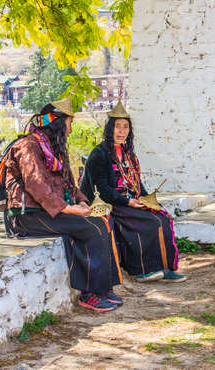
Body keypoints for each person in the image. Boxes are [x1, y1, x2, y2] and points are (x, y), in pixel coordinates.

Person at [4, 97, 123, 311]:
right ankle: (89, 294)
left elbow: (69, 182)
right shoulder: (28, 146)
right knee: (91, 229)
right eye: (69, 123)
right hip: (28, 216)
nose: (70, 129)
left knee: (103, 221)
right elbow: (36, 185)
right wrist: (69, 210)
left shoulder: (55, 149)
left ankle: (104, 288)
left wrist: (83, 201)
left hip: (51, 211)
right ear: (58, 124)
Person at [80, 100, 186, 283]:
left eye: (125, 127)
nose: (122, 131)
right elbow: (102, 190)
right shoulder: (100, 154)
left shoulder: (128, 153)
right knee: (148, 222)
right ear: (110, 129)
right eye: (117, 127)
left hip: (128, 199)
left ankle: (166, 267)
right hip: (109, 203)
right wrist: (127, 202)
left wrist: (146, 199)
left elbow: (136, 182)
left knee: (162, 217)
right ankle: (142, 269)